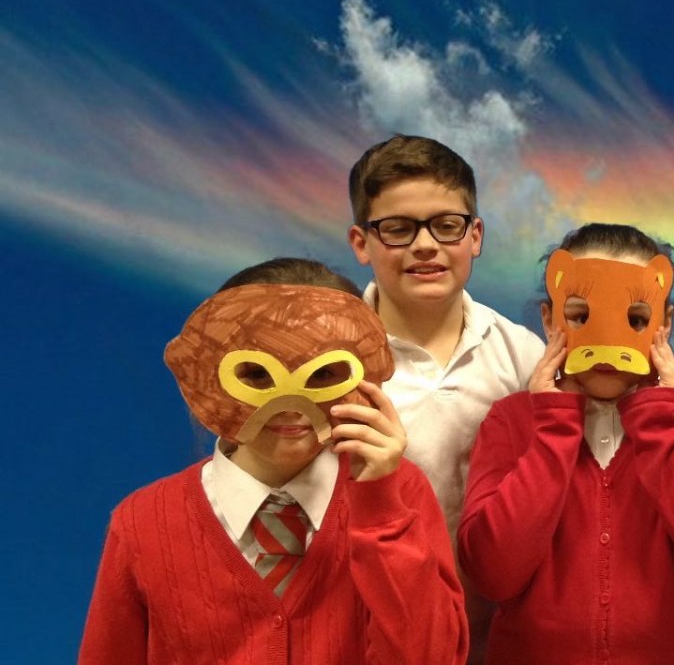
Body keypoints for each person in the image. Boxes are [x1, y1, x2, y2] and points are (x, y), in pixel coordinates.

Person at [79, 258, 468, 664]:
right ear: (204, 378)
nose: (292, 405)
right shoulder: (143, 522)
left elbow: (432, 657)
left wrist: (381, 510)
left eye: (323, 375)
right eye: (256, 375)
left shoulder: (400, 494)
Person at [458, 223, 674, 664]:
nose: (606, 340)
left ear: (663, 323)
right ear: (550, 319)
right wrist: (552, 430)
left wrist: (663, 426)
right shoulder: (512, 421)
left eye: (636, 320)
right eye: (579, 316)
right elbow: (492, 572)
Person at [346, 134, 544, 660]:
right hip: (373, 637)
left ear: (474, 235)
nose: (425, 245)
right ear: (361, 243)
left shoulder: (524, 356)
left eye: (446, 225)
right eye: (398, 228)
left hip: (497, 637)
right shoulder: (332, 361)